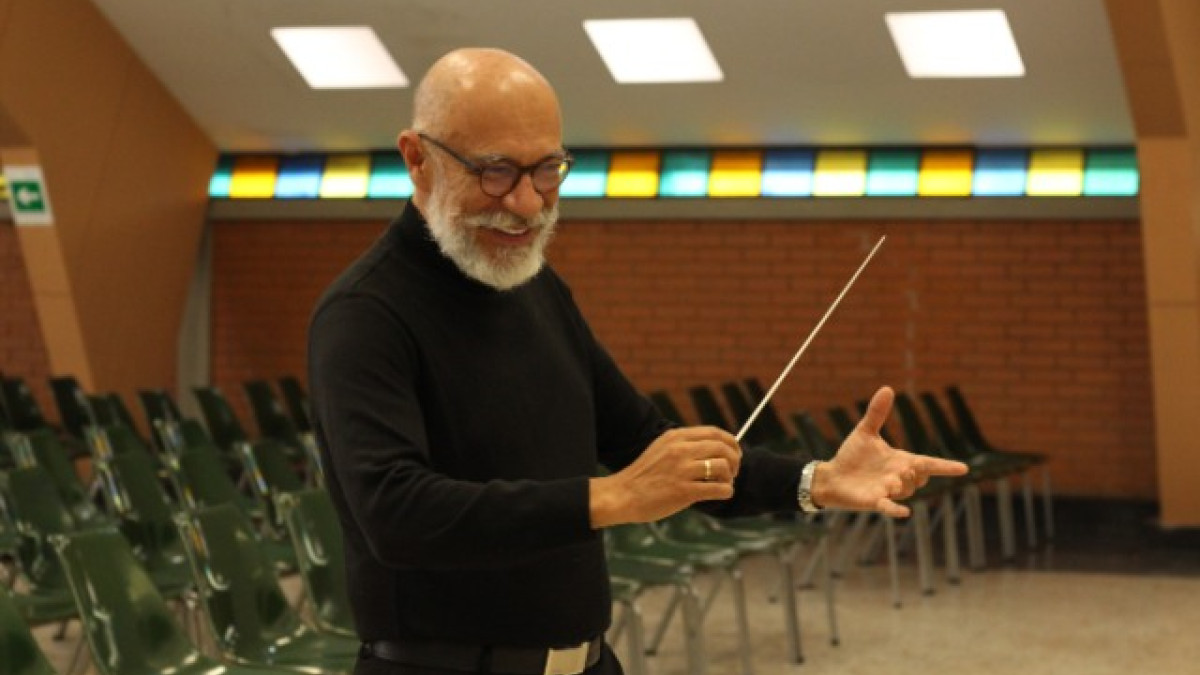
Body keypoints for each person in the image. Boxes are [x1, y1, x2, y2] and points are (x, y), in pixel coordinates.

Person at [308, 47, 968, 675]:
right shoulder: (365, 313)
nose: (528, 203)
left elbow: (649, 449)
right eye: (496, 171)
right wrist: (612, 497)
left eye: (547, 170)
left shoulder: (537, 288)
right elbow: (396, 513)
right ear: (417, 158)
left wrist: (815, 479)